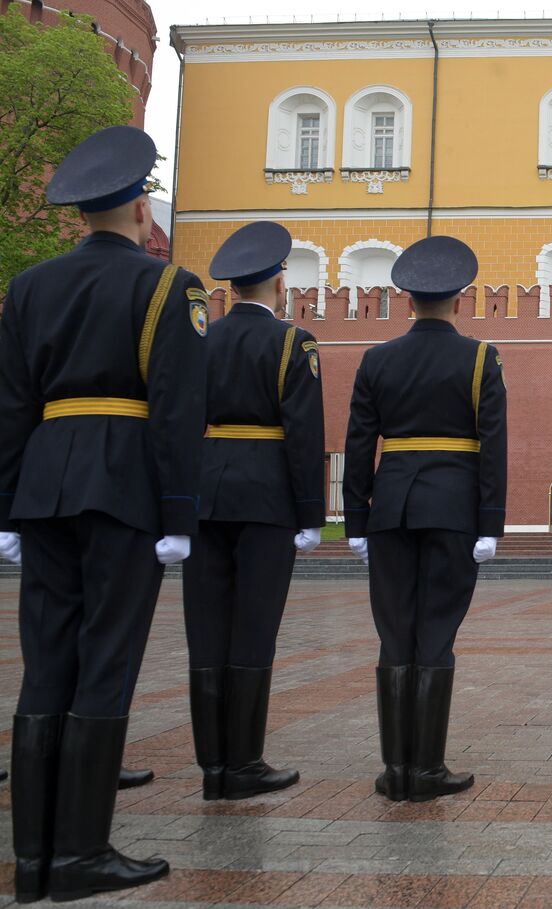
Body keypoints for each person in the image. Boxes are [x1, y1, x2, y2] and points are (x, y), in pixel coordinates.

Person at [0, 126, 207, 900]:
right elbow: (178, 409)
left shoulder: (30, 286)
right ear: (141, 210)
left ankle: (33, 861)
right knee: (106, 663)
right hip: (123, 487)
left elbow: (13, 404)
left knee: (45, 665)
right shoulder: (168, 286)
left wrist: (8, 508)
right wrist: (179, 516)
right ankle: (82, 854)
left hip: (46, 484)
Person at [342, 235, 507, 803]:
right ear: (459, 300)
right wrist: (491, 524)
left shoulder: (376, 360)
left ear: (406, 300)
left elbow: (359, 443)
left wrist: (356, 522)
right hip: (454, 510)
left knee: (394, 636)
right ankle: (427, 770)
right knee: (436, 633)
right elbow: (493, 446)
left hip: (390, 509)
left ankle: (396, 771)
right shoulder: (480, 358)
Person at [184, 221, 326, 802]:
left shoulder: (200, 339)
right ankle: (243, 762)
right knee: (254, 629)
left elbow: (177, 420)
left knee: (206, 630)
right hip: (266, 496)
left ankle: (211, 766)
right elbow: (302, 432)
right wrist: (311, 511)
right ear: (277, 281)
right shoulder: (294, 344)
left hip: (204, 493)